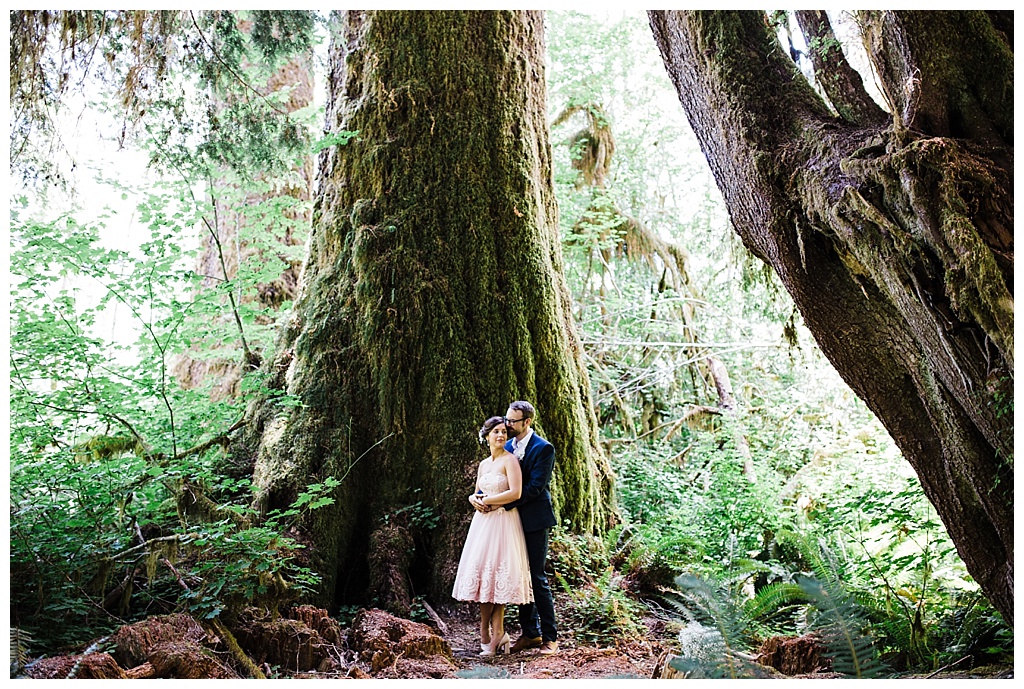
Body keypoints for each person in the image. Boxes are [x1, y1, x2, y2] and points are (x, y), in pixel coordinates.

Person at [471, 400, 558, 655]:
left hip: (532, 519)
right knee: (517, 576)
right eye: (506, 420)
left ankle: (550, 638)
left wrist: (500, 502)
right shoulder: (507, 445)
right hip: (506, 522)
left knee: (536, 577)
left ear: (527, 422)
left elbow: (534, 488)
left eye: (512, 421)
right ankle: (530, 633)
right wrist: (478, 498)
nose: (507, 425)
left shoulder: (543, 448)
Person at [452, 416, 534, 657]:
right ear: (486, 436)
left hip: (503, 522)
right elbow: (479, 490)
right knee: (483, 578)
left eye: (504, 433)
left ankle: (497, 633)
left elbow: (515, 492)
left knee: (498, 578)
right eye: (496, 432)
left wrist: (487, 501)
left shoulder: (510, 461)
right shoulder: (484, 464)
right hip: (483, 523)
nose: (501, 436)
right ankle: (485, 630)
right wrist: (473, 498)